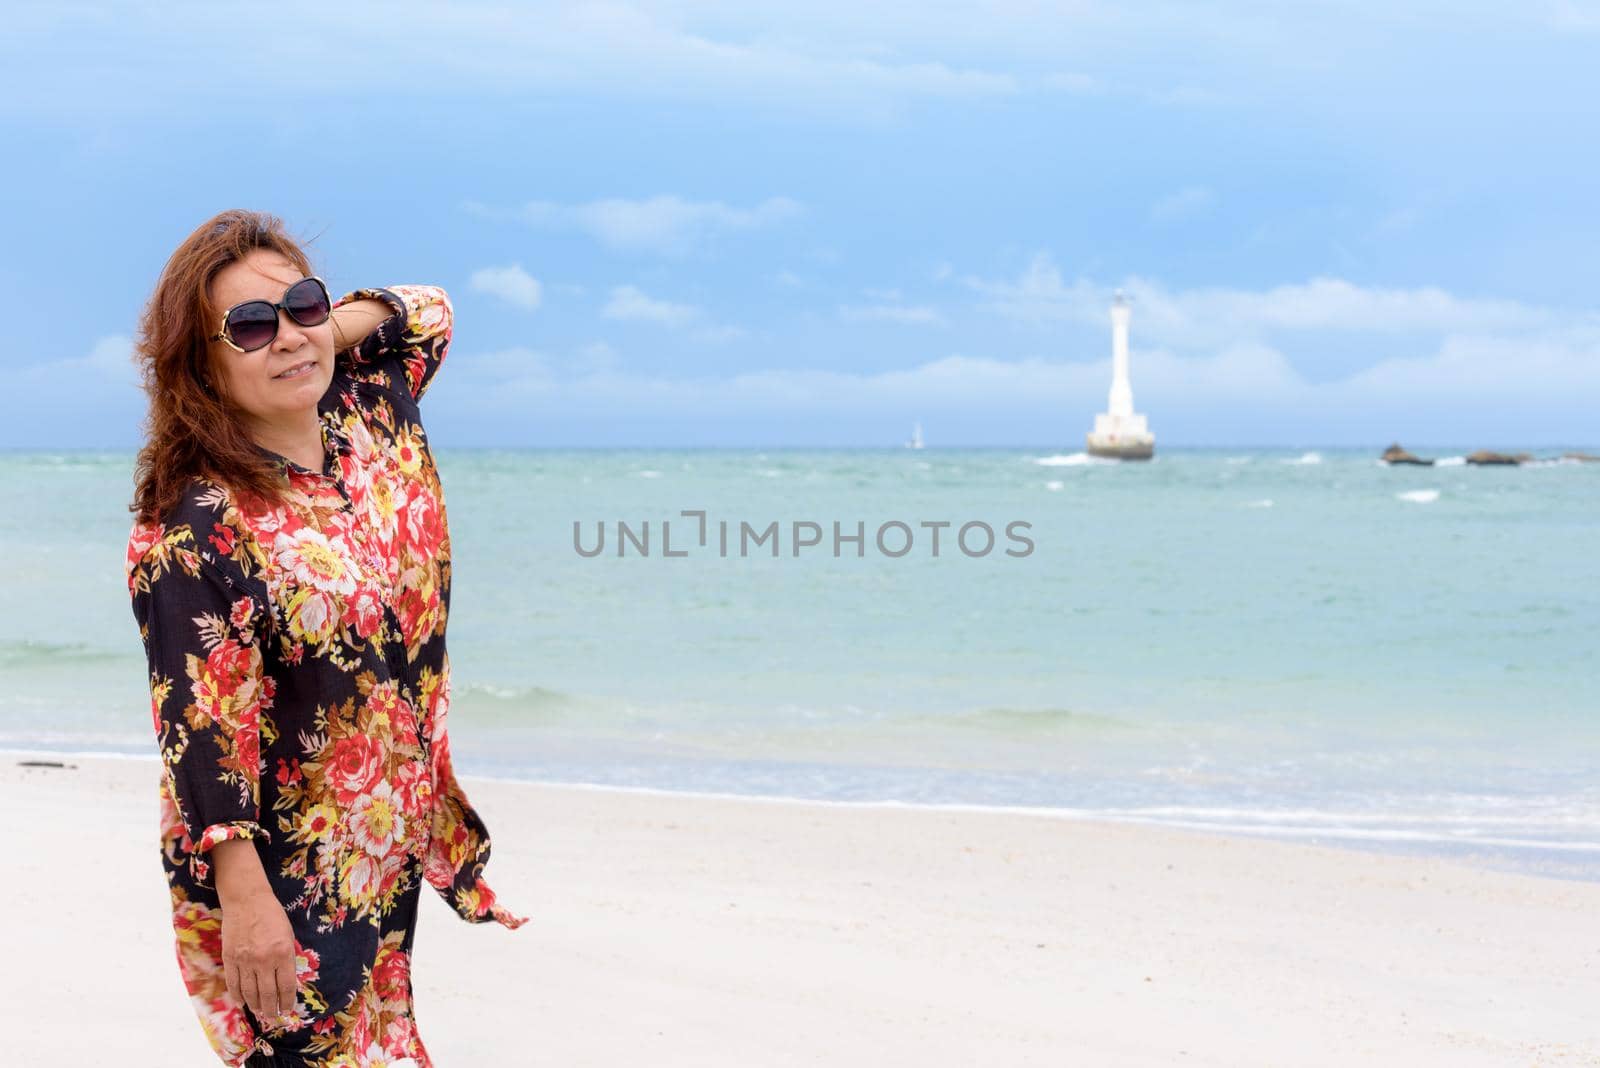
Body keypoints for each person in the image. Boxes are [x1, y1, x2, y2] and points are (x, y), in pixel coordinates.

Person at [124, 209, 527, 1068]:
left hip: (383, 834)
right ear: (200, 365)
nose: (286, 339)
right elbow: (199, 724)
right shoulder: (199, 524)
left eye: (300, 305)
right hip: (282, 865)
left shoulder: (369, 418)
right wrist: (245, 900)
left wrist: (319, 335)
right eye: (249, 327)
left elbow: (431, 308)